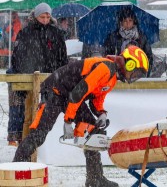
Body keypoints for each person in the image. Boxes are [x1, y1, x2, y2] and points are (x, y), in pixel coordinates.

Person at [13, 45, 149, 187]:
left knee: (95, 131)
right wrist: (68, 121)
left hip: (70, 96)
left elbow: (96, 99)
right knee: (39, 134)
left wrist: (101, 113)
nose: (135, 77)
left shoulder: (113, 77)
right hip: (55, 90)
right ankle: (15, 170)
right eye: (136, 73)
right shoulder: (105, 68)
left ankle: (95, 178)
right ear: (128, 63)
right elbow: (79, 92)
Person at [7, 3, 68, 146]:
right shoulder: (26, 32)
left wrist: (60, 72)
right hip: (29, 76)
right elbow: (18, 56)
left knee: (46, 110)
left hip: (50, 76)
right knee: (28, 110)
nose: (45, 19)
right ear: (36, 16)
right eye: (42, 16)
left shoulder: (57, 34)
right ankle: (24, 139)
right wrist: (26, 71)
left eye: (48, 16)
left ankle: (43, 141)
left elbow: (62, 57)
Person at [102, 7, 153, 77]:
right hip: (118, 74)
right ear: (121, 22)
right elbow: (107, 57)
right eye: (125, 21)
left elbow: (148, 57)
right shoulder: (113, 37)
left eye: (130, 20)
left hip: (138, 73)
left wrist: (146, 73)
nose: (128, 24)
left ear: (134, 21)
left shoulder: (141, 37)